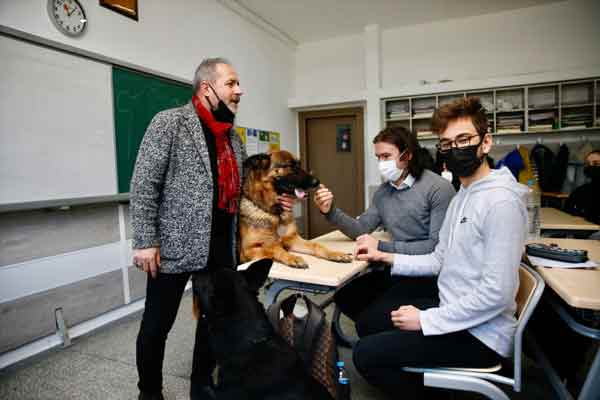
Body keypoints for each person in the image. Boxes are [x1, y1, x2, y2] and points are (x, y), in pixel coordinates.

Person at [130, 58, 292, 400]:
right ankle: (149, 392)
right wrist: (145, 240)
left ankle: (200, 385)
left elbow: (240, 192)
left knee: (213, 321)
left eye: (238, 84)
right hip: (173, 245)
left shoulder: (233, 138)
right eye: (232, 83)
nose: (239, 90)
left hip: (220, 246)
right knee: (157, 324)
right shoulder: (169, 124)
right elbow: (145, 184)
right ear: (207, 88)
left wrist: (277, 204)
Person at [351, 97, 528, 398]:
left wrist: (426, 319)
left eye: (464, 139)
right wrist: (385, 255)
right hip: (454, 309)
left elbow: (496, 294)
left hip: (481, 335)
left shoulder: (501, 202)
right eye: (447, 144)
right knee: (370, 323)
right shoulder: (464, 194)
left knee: (365, 356)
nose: (455, 149)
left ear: (485, 143)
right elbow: (439, 259)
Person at [313, 126, 455, 329]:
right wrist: (330, 211)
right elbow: (360, 228)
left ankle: (386, 339)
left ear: (407, 156)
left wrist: (381, 247)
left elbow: (435, 246)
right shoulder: (383, 192)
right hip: (396, 269)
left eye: (386, 156)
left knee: (369, 321)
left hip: (429, 275)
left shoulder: (438, 188)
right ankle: (382, 336)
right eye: (378, 157)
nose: (381, 163)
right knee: (345, 297)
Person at [564, 150, 600, 226]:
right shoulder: (582, 190)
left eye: (596, 163)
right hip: (580, 228)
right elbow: (567, 209)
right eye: (587, 164)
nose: (591, 166)